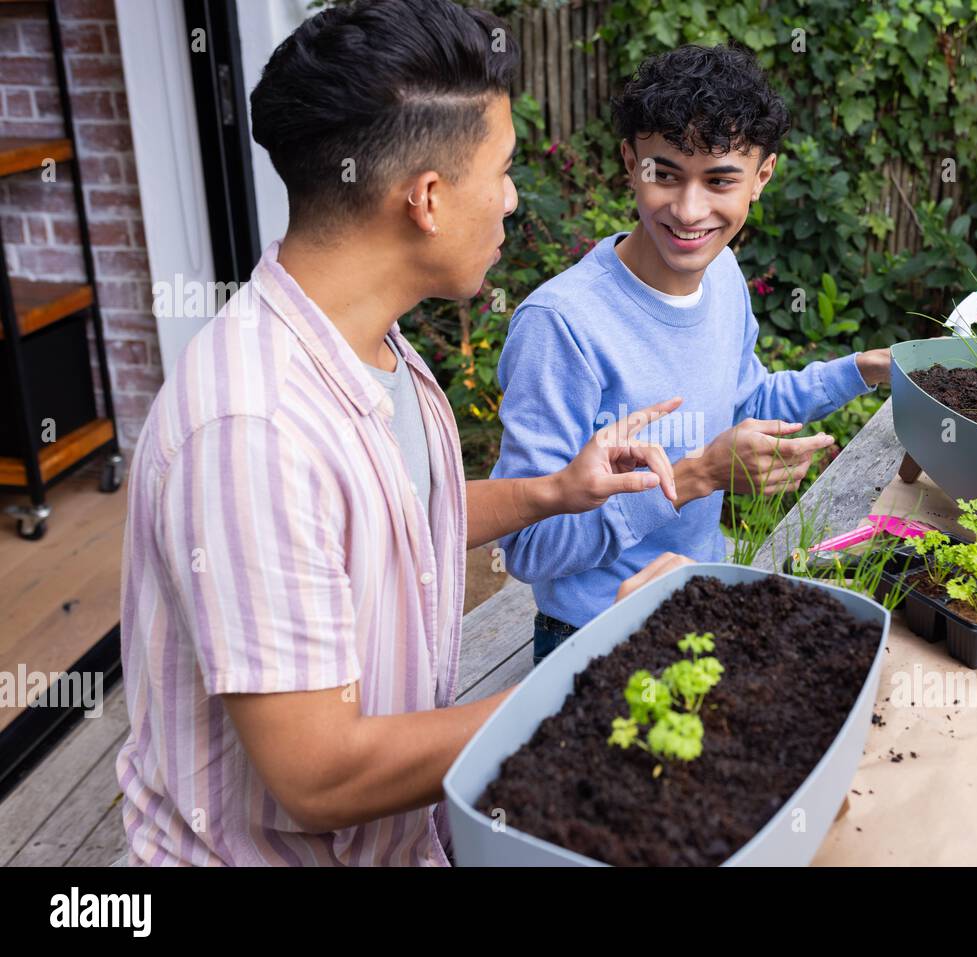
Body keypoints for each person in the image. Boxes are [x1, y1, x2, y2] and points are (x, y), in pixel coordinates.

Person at [115, 0, 690, 866]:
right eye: (501, 169)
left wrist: (555, 492)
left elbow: (390, 517)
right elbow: (321, 775)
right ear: (425, 198)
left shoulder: (366, 338)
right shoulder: (251, 432)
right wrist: (600, 675)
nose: (511, 198)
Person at [491, 44, 892, 663]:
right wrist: (692, 479)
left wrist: (864, 369)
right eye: (665, 173)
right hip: (593, 639)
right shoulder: (561, 326)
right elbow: (527, 546)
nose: (688, 210)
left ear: (762, 178)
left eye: (721, 180)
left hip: (701, 603)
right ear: (630, 164)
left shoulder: (722, 272)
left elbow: (741, 400)